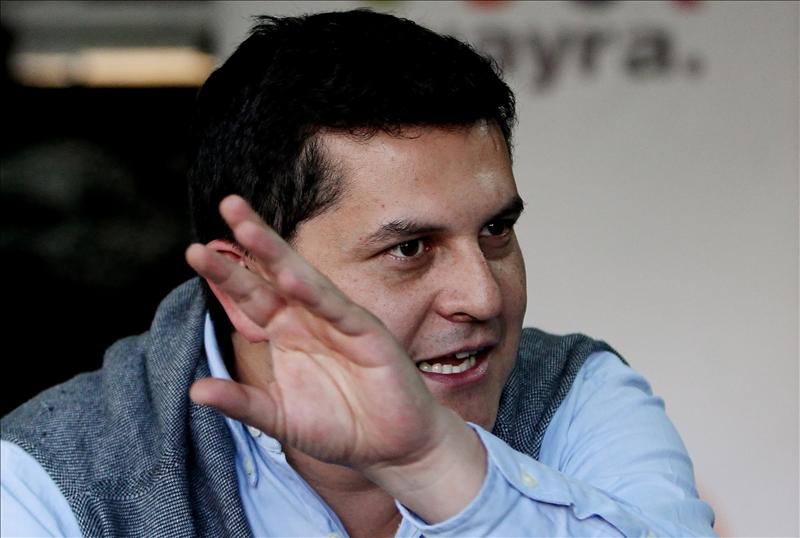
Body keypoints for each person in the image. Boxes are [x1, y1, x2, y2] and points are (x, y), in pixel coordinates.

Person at [1, 9, 715, 537]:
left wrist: (436, 467)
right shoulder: (48, 477)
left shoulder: (577, 393)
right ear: (247, 288)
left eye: (495, 230)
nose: (482, 296)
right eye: (410, 249)